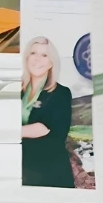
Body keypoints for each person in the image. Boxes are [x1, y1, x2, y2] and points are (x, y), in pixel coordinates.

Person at [20, 36, 73, 188]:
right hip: (21, 170)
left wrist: (9, 132)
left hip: (49, 172)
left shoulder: (61, 93)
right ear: (26, 57)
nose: (37, 59)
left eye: (44, 55)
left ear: (51, 63)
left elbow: (43, 128)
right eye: (33, 53)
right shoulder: (16, 89)